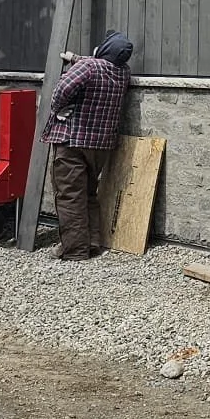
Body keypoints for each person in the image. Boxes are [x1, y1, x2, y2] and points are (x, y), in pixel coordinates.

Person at [44, 31, 134, 259]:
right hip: (100, 145)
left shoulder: (89, 68)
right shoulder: (123, 72)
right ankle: (93, 242)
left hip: (73, 141)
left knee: (69, 194)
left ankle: (74, 249)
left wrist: (56, 109)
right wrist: (74, 57)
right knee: (89, 193)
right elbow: (95, 64)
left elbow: (62, 91)